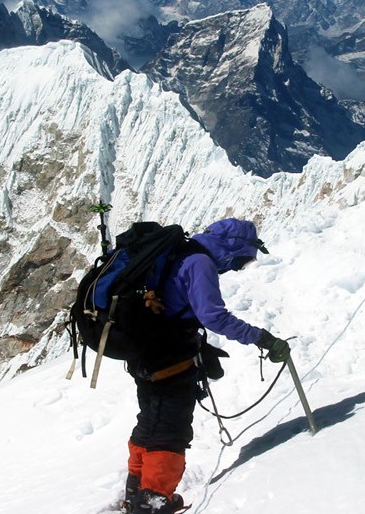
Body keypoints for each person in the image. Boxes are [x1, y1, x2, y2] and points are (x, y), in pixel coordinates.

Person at [122, 218, 292, 514]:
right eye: (242, 260)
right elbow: (214, 316)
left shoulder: (179, 253)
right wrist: (262, 339)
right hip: (169, 356)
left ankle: (136, 490)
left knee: (150, 421)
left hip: (143, 352)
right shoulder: (200, 263)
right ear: (231, 249)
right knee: (169, 430)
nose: (239, 266)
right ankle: (153, 501)